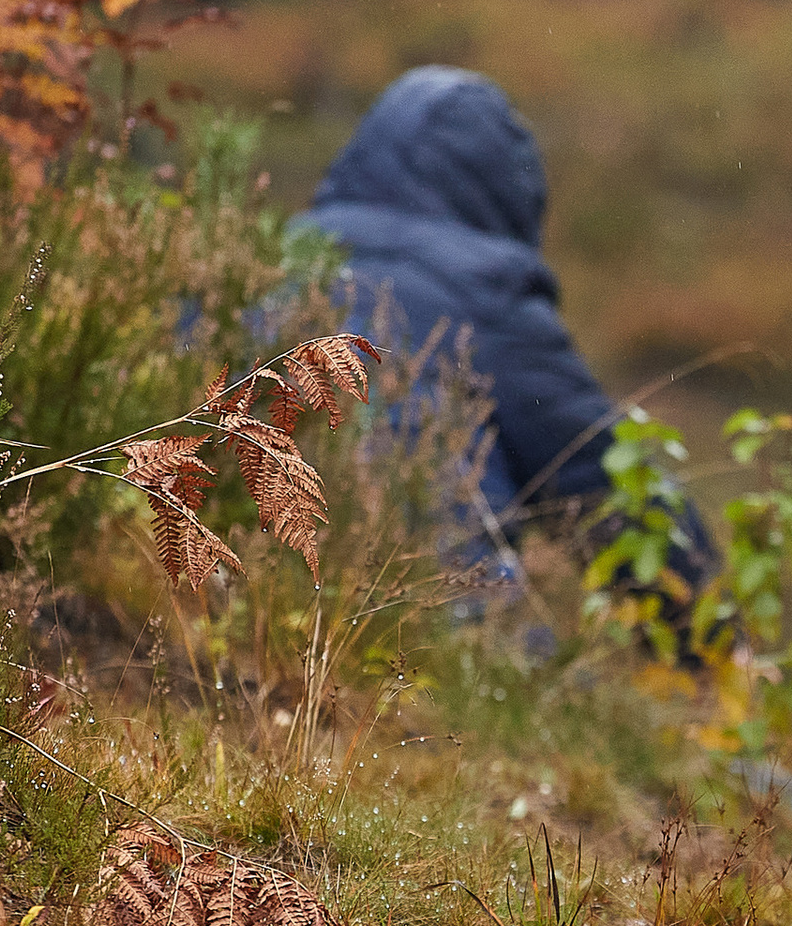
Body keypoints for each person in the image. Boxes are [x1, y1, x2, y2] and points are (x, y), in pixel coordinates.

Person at [295, 64, 710, 585]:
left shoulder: (262, 259)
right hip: (432, 606)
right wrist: (717, 649)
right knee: (531, 657)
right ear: (505, 190)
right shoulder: (481, 288)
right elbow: (606, 487)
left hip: (225, 590)